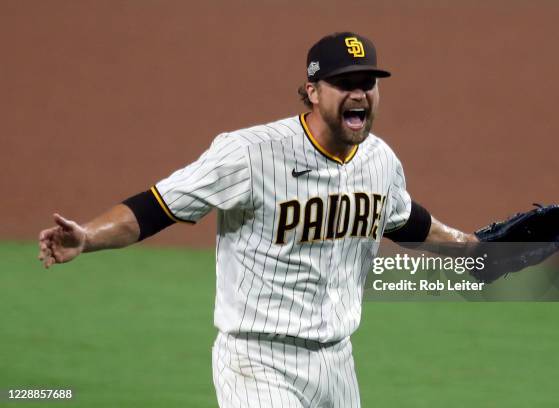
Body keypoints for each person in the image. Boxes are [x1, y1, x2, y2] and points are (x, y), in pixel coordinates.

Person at [38, 32, 477, 407]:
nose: (359, 93)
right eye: (344, 83)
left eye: (368, 82)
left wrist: (477, 250)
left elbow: (408, 224)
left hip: (338, 363)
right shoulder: (249, 153)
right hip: (257, 360)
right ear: (312, 90)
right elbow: (158, 206)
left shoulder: (381, 161)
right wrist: (88, 237)